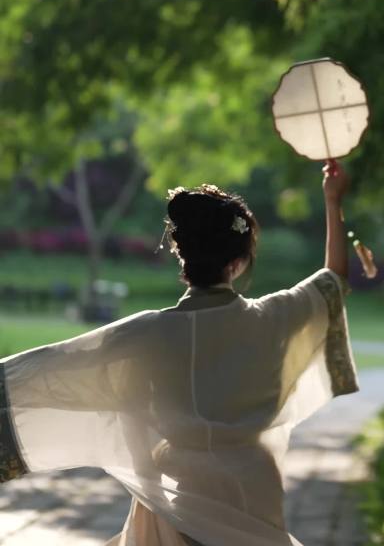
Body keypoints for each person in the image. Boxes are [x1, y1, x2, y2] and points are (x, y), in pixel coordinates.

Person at [0, 160, 358, 545]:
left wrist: (149, 486)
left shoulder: (147, 333)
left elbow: (53, 366)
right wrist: (332, 200)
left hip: (176, 500)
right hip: (253, 492)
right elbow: (332, 280)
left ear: (181, 254)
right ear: (237, 262)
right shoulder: (273, 319)